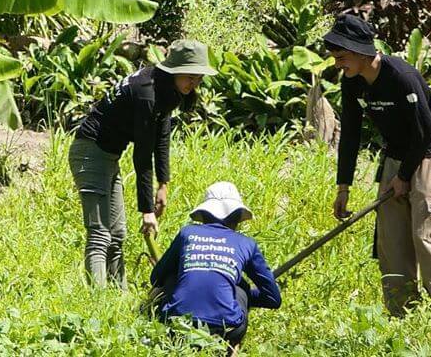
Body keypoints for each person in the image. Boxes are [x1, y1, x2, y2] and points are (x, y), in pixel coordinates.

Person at [324, 12, 431, 327]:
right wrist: (343, 187)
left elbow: (425, 132)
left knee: (429, 237)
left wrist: (404, 178)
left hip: (428, 156)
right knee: (391, 240)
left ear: (361, 52)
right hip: (395, 156)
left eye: (341, 57)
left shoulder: (402, 76)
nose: (337, 64)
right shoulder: (352, 82)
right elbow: (350, 134)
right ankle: (402, 316)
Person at [68, 39, 214, 287]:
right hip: (89, 154)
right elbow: (143, 156)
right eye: (190, 76)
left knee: (118, 234)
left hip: (109, 157)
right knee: (100, 235)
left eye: (198, 78)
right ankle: (96, 305)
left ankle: (118, 297)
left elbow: (162, 138)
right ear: (175, 70)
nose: (194, 83)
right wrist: (147, 211)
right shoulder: (147, 91)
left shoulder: (165, 89)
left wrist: (163, 184)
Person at [150, 181, 281, 352]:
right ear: (237, 218)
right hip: (225, 330)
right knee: (240, 288)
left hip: (175, 324)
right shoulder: (246, 243)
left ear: (204, 215)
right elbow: (273, 298)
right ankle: (230, 348)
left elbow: (156, 277)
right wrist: (244, 292)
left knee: (174, 278)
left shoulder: (187, 234)